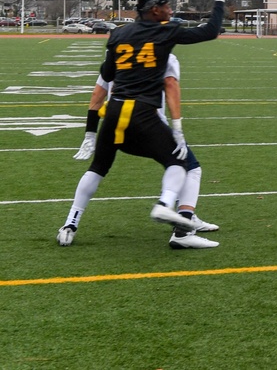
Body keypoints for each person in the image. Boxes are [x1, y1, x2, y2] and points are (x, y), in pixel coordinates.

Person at [57, 0, 227, 247]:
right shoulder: (165, 32)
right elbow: (209, 31)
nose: (171, 10)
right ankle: (168, 209)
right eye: (166, 5)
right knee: (181, 163)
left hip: (114, 112)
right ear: (154, 9)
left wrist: (90, 130)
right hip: (143, 113)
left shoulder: (119, 34)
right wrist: (219, 1)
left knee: (98, 168)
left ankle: (69, 223)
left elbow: (106, 74)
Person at [70, 53, 220, 249]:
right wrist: (177, 128)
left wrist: (90, 134)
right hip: (149, 125)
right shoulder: (163, 53)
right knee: (188, 167)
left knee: (98, 167)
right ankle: (183, 228)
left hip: (114, 123)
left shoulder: (119, 52)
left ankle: (69, 224)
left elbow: (97, 94)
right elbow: (171, 86)